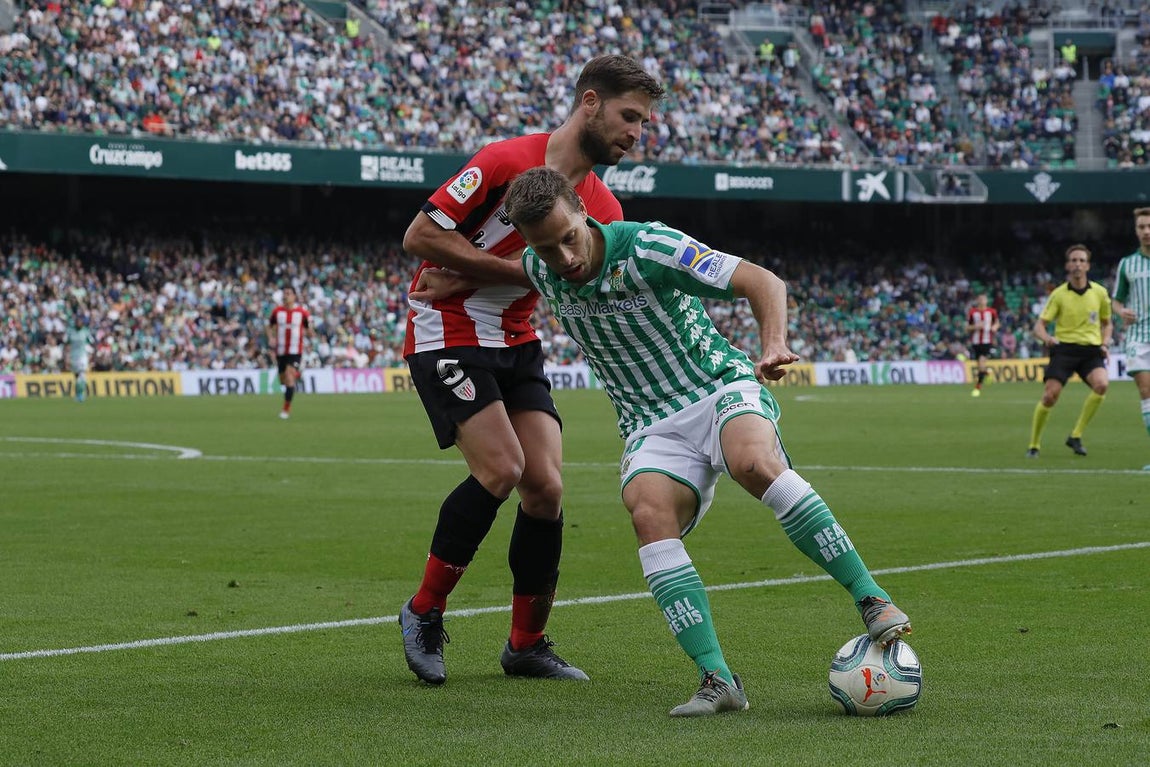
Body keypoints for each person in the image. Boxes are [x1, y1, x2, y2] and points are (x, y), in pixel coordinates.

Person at [492, 166, 912, 716]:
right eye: (546, 250)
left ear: (583, 211)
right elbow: (508, 270)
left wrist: (774, 344)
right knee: (646, 513)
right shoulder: (538, 267)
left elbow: (761, 280)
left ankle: (871, 598)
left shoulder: (651, 246)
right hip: (648, 423)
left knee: (753, 463)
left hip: (718, 387)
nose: (564, 259)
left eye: (569, 238)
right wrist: (451, 278)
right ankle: (717, 679)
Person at [398, 55, 666, 686]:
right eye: (630, 117)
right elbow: (419, 235)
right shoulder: (502, 159)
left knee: (545, 489)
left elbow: (577, 284)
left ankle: (526, 644)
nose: (636, 133)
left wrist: (487, 271)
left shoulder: (606, 208)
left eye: (644, 123)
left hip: (517, 337)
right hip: (450, 331)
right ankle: (423, 610)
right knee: (503, 470)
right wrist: (512, 273)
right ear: (591, 102)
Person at [1027, 245, 1113, 458]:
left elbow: (1107, 323)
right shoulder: (1059, 294)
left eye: (1081, 260)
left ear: (1088, 265)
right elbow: (1039, 326)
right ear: (1068, 265)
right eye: (1073, 260)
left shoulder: (1100, 293)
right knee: (1049, 396)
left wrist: (1105, 343)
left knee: (1102, 385)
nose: (1077, 264)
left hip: (1091, 352)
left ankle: (1075, 435)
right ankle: (1034, 445)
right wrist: (1047, 338)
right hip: (1064, 350)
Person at [1110, 207, 1150, 469]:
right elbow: (1116, 301)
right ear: (1135, 231)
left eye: (1149, 226)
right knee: (1147, 392)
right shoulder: (1127, 264)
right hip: (1138, 338)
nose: (1146, 232)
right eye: (1141, 227)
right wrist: (1121, 311)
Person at [266, 285, 312, 420]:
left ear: (294, 296)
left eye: (288, 293)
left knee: (289, 376)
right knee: (283, 381)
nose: (285, 296)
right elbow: (269, 327)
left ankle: (285, 410)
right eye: (284, 293)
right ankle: (298, 373)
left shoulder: (302, 313)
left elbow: (310, 330)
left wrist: (310, 332)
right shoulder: (277, 312)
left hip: (295, 350)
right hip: (280, 351)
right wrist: (271, 338)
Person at [966, 293, 1000, 397]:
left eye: (983, 299)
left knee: (981, 361)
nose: (982, 301)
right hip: (976, 342)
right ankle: (987, 373)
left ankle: (978, 387)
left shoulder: (992, 312)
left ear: (986, 300)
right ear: (977, 300)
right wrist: (975, 326)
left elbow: (997, 323)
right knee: (980, 364)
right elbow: (967, 328)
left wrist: (995, 327)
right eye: (980, 299)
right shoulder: (973, 312)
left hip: (987, 341)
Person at [65, 317, 93, 402]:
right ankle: (78, 393)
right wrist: (67, 357)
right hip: (73, 356)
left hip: (82, 355)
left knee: (82, 373)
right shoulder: (71, 332)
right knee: (76, 376)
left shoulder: (85, 331)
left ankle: (81, 393)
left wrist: (90, 355)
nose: (78, 323)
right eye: (77, 321)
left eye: (80, 322)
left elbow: (91, 342)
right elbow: (67, 345)